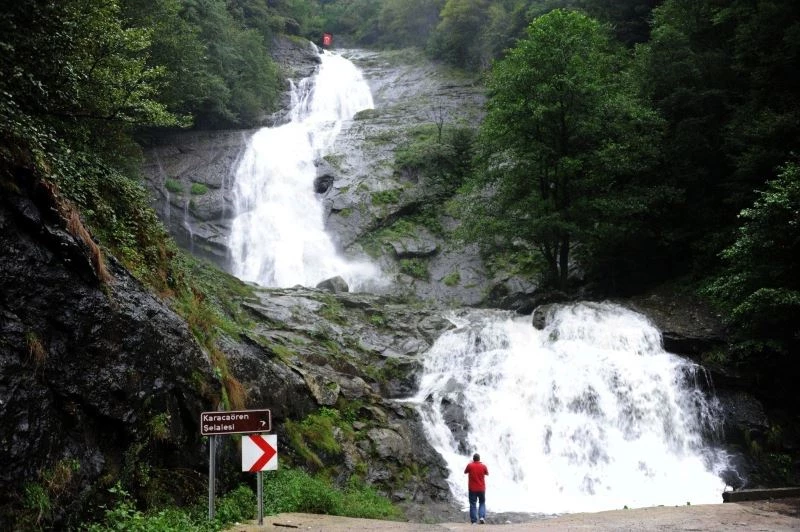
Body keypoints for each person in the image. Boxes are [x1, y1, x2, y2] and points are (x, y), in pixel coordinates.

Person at [464, 453, 488, 524]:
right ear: (479, 459)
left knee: (473, 504)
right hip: (481, 489)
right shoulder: (483, 466)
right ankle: (481, 517)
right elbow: (487, 473)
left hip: (472, 489)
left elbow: (465, 472)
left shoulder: (470, 465)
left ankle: (474, 521)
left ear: (473, 459)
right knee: (482, 502)